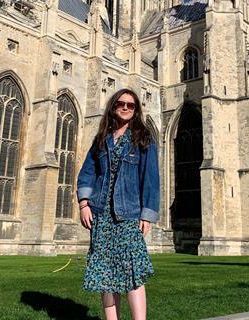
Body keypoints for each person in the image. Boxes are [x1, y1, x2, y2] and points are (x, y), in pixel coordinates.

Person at [76, 88, 160, 320]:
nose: (125, 107)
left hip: (129, 214)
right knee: (106, 274)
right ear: (113, 107)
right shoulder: (102, 139)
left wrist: (147, 214)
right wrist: (84, 204)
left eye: (130, 105)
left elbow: (151, 179)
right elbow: (87, 173)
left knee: (133, 272)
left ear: (136, 110)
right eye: (121, 104)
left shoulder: (143, 138)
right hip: (101, 214)